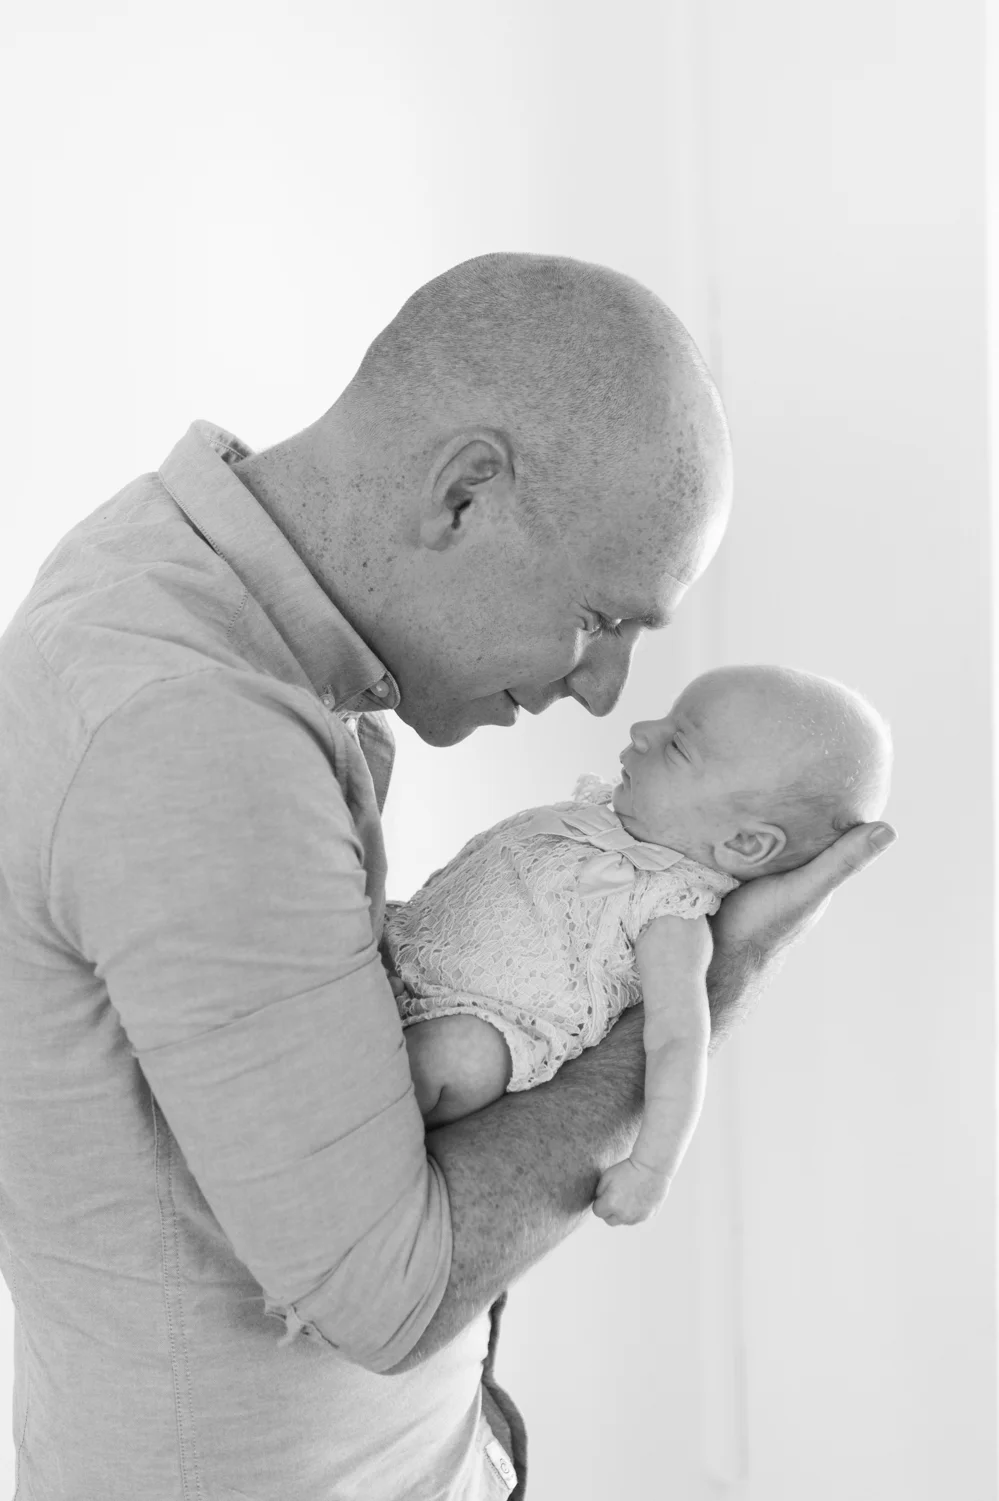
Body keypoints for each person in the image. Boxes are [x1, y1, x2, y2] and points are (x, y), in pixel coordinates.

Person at [0, 252, 897, 1500]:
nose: (606, 693)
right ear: (467, 492)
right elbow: (391, 1292)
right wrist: (712, 981)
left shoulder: (177, 572)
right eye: (602, 617)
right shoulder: (199, 727)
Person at [387, 664, 892, 1227]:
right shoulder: (596, 815)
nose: (642, 731)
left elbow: (678, 1044)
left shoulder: (672, 914)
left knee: (451, 1058)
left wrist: (651, 1169)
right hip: (403, 947)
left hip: (475, 1023)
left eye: (678, 745)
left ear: (746, 843)